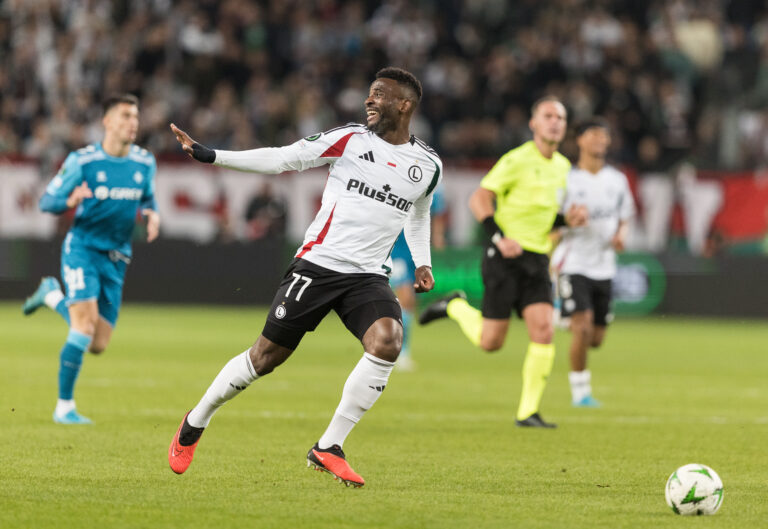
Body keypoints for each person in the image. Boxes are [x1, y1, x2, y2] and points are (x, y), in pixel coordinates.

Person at [167, 67, 441, 488]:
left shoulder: (428, 165)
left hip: (367, 276)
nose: (369, 100)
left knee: (388, 339)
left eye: (379, 95)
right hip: (318, 266)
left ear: (404, 105)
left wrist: (422, 261)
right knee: (264, 358)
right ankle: (196, 420)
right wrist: (213, 155)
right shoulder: (349, 139)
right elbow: (283, 157)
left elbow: (419, 212)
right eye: (369, 93)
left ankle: (329, 446)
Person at [419, 96, 586, 428]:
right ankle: (454, 306)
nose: (555, 122)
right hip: (504, 258)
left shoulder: (565, 168)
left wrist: (568, 221)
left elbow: (546, 218)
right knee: (491, 342)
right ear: (534, 124)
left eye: (560, 117)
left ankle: (527, 412)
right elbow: (479, 198)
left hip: (537, 260)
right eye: (548, 116)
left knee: (543, 330)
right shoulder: (517, 160)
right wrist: (499, 237)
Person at [22, 94, 160, 424]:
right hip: (82, 249)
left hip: (117, 258)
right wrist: (68, 199)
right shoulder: (82, 161)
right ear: (107, 122)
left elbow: (148, 197)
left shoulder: (144, 162)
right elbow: (47, 201)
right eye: (126, 115)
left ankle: (51, 295)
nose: (133, 122)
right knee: (83, 327)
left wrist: (152, 214)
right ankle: (64, 407)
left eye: (136, 116)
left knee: (97, 343)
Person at [551, 119, 635, 407]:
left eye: (604, 136)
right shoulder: (567, 179)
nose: (600, 140)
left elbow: (625, 217)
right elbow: (552, 223)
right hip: (574, 263)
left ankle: (566, 314)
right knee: (583, 329)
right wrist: (567, 223)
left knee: (596, 339)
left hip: (605, 265)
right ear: (580, 141)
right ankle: (581, 393)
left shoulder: (617, 180)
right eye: (594, 135)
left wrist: (621, 236)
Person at [389, 182, 447, 371]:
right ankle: (398, 352)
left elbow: (437, 212)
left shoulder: (433, 181)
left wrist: (438, 236)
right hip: (395, 247)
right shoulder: (396, 175)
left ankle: (402, 351)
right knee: (405, 297)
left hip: (416, 249)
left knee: (410, 303)